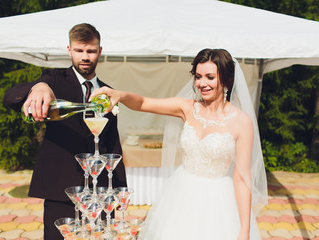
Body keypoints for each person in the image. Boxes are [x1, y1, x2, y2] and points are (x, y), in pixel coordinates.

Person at [91, 48, 268, 240]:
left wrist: (244, 231)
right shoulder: (187, 108)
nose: (202, 83)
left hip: (218, 203)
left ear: (225, 79)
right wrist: (119, 95)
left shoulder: (241, 121)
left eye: (210, 77)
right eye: (198, 77)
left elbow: (242, 179)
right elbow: (143, 103)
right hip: (182, 194)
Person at [3, 23, 127, 240]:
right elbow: (10, 97)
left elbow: (112, 144)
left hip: (99, 193)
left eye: (90, 51)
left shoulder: (108, 91)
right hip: (61, 185)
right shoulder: (52, 80)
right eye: (79, 50)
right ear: (69, 50)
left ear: (100, 51)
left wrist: (117, 191)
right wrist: (38, 87)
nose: (85, 56)